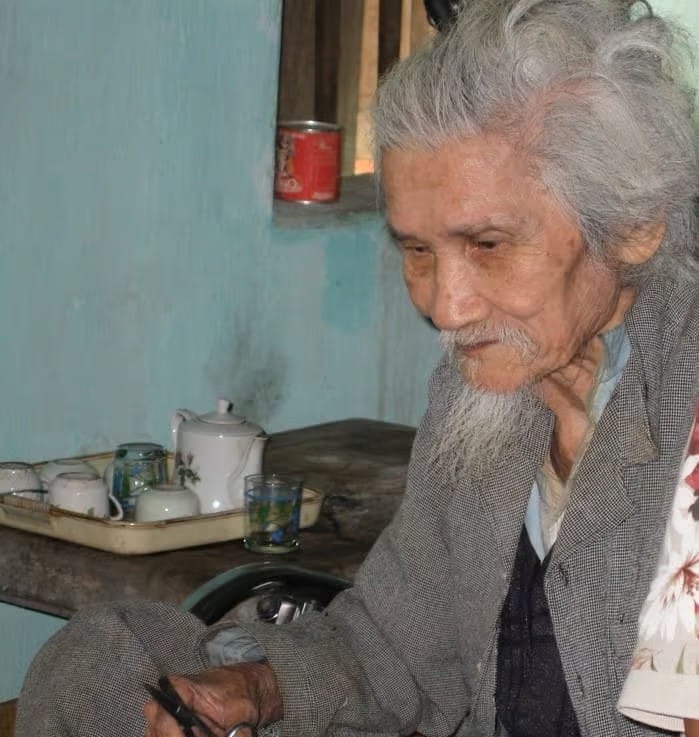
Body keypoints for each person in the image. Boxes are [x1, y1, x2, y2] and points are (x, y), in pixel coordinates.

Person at [15, 0, 698, 736]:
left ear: (632, 227)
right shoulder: (482, 393)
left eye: (488, 246)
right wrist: (252, 688)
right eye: (417, 250)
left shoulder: (682, 406)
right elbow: (398, 650)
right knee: (102, 664)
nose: (445, 307)